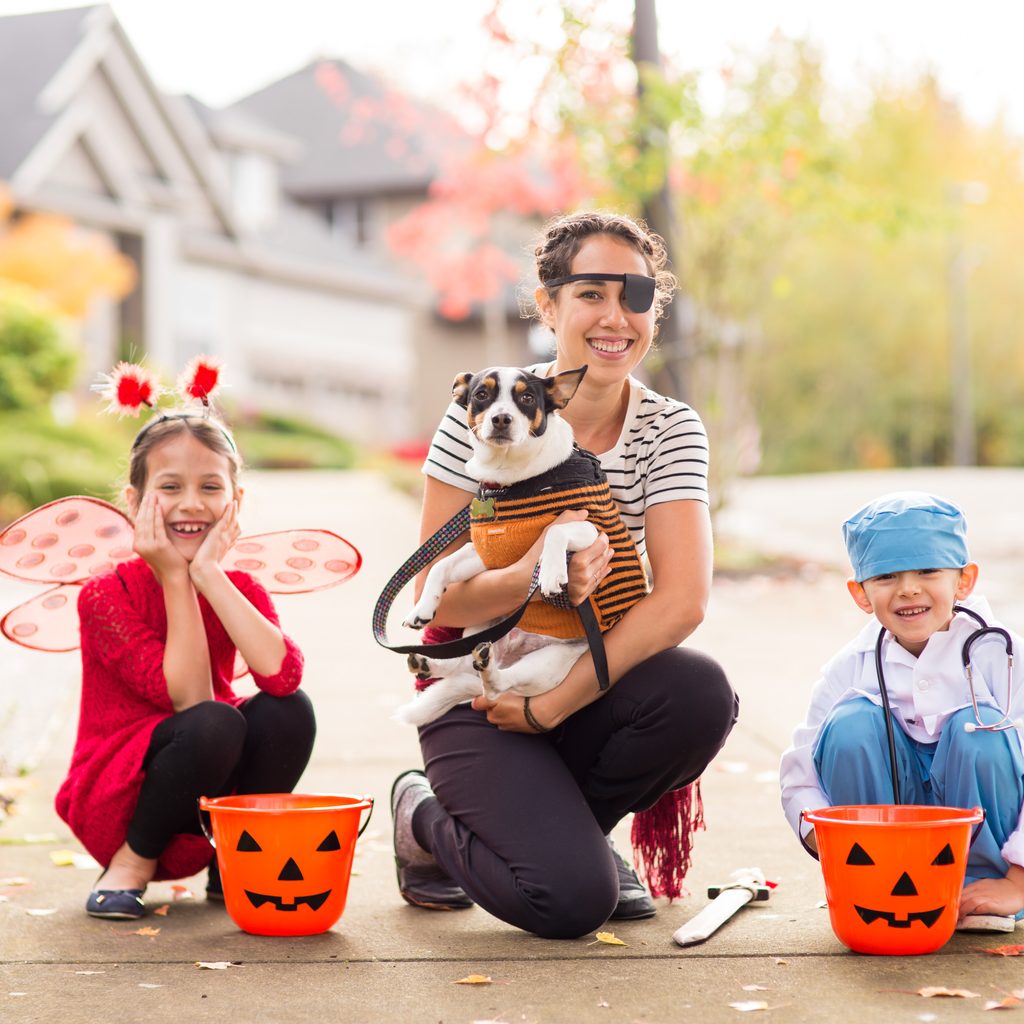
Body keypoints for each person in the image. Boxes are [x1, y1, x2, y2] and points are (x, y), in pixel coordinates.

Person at [391, 210, 738, 940]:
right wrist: (529, 574)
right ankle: (424, 816)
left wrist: (554, 706)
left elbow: (681, 602)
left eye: (638, 297)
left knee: (699, 691)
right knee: (571, 901)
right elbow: (439, 593)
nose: (617, 317)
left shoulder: (669, 427)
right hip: (480, 679)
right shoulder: (483, 412)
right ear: (547, 305)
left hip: (577, 673)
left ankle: (571, 828)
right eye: (591, 294)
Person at [55, 409, 315, 920]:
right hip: (123, 793)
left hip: (208, 776)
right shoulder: (107, 595)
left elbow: (282, 676)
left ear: (234, 503)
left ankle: (235, 859)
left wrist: (210, 574)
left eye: (210, 488)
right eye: (170, 487)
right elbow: (191, 702)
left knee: (289, 710)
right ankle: (131, 865)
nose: (191, 504)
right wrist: (176, 578)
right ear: (134, 503)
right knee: (213, 720)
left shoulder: (241, 589)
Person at [780, 491, 1024, 926]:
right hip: (885, 867)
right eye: (886, 576)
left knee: (980, 729)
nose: (908, 588)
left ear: (964, 581)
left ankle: (985, 884)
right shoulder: (848, 670)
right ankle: (877, 881)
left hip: (996, 866)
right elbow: (800, 772)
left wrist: (1020, 879)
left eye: (928, 571)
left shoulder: (1002, 657)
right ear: (860, 593)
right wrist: (830, 840)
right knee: (851, 725)